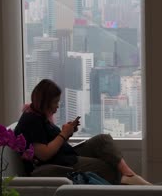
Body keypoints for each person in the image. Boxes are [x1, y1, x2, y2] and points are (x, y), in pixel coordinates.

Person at [14, 79, 150, 185]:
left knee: (103, 140)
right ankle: (125, 184)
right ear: (45, 102)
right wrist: (63, 134)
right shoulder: (31, 120)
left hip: (65, 155)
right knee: (108, 167)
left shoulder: (40, 116)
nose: (57, 106)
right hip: (58, 164)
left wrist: (68, 132)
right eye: (55, 102)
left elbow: (51, 143)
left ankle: (129, 176)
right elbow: (44, 154)